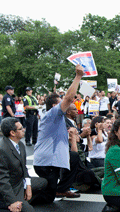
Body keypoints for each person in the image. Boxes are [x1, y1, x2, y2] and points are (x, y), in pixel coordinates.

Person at [33, 65, 84, 203]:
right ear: (54, 106)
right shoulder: (52, 114)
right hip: (46, 163)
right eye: (60, 102)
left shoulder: (59, 118)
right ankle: (23, 193)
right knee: (48, 198)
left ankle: (61, 188)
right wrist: (78, 76)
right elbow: (68, 98)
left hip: (54, 161)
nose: (65, 104)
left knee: (73, 156)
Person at [0, 118, 48, 212]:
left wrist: (28, 186)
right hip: (9, 189)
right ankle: (12, 205)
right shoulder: (1, 151)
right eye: (21, 128)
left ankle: (24, 201)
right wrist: (13, 201)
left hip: (19, 183)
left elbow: (23, 167)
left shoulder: (20, 145)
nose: (24, 130)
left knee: (43, 182)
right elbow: (2, 182)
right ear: (12, 133)